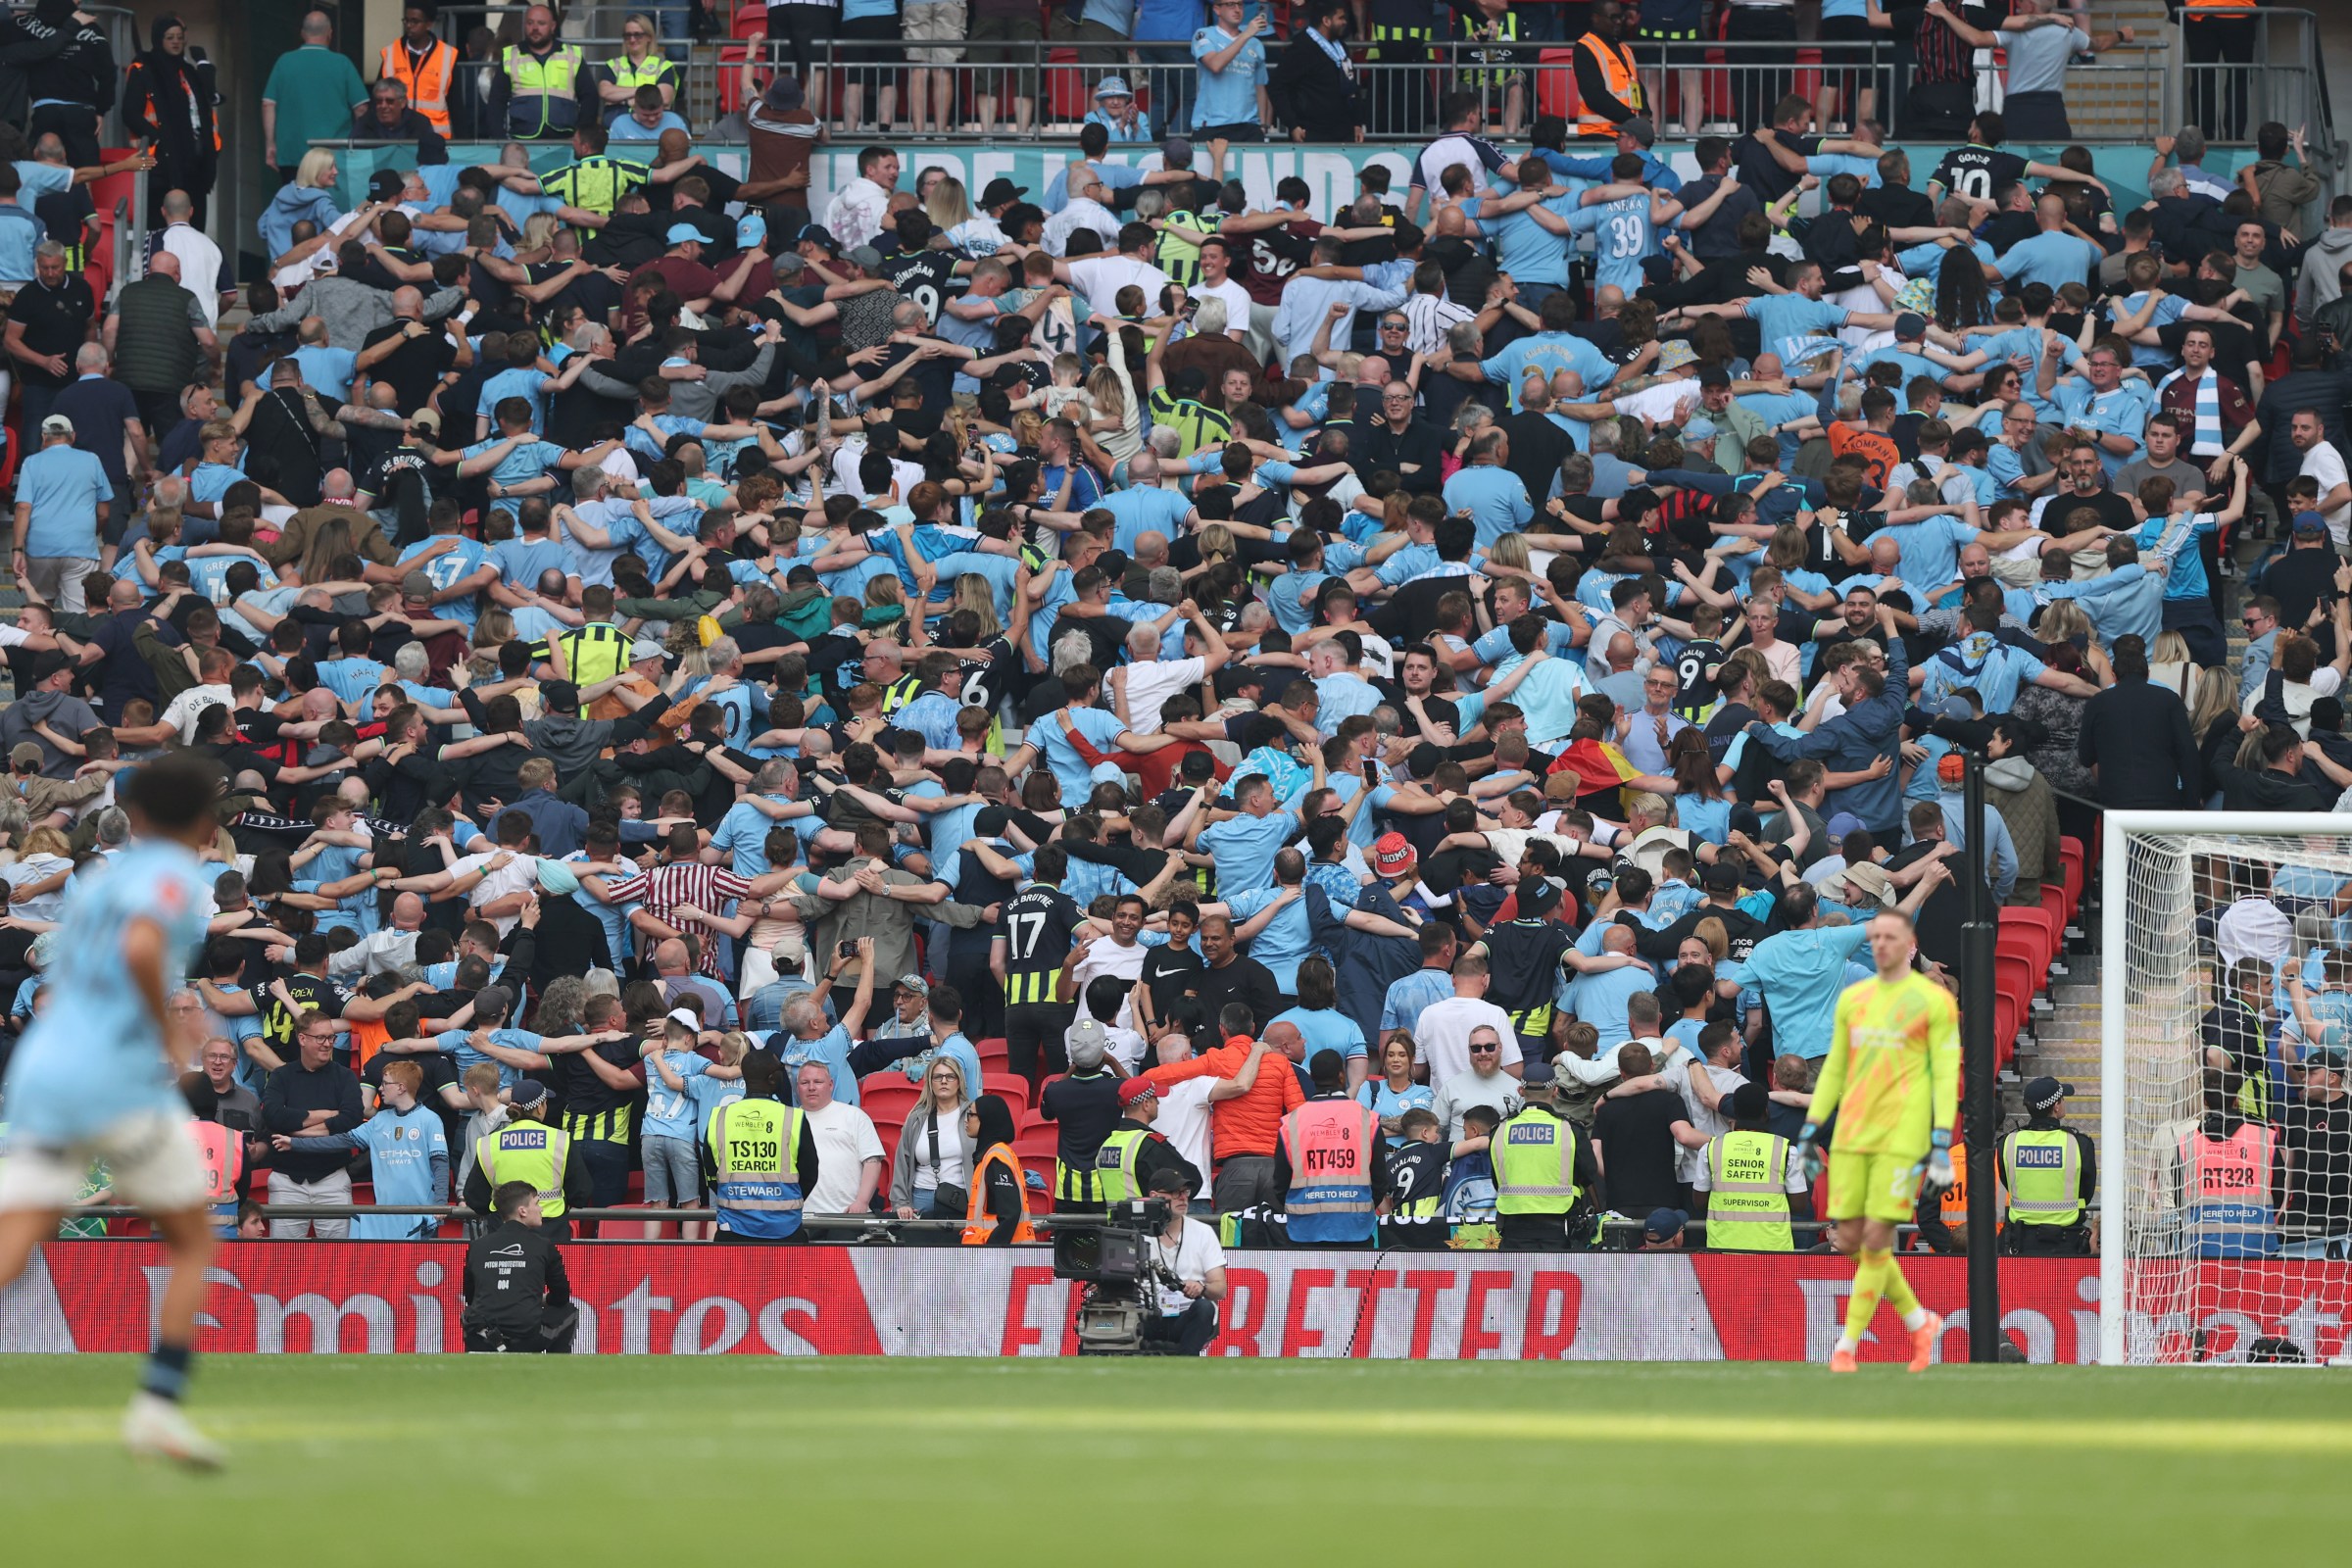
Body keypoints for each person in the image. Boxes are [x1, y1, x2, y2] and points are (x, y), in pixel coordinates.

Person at [0, 753, 232, 1466]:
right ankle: (158, 1406)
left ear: (130, 815)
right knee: (192, 1240)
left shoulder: (97, 876)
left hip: (46, 1066)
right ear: (203, 823)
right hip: (112, 1073)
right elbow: (139, 947)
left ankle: (159, 1411)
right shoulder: (172, 874)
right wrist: (173, 1031)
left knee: (23, 1231)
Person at [1796, 907, 1959, 1373]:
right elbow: (1835, 1069)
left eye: (1893, 938)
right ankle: (1918, 1319)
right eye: (1877, 938)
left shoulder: (1934, 1003)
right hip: (1851, 1132)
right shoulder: (1854, 999)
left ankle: (1846, 1346)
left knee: (1874, 1237)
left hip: (1901, 1138)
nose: (1882, 946)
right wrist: (1812, 1128)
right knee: (1847, 1239)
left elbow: (1946, 1076)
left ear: (1911, 946)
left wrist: (1940, 1140)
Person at [706, 1051, 820, 1243]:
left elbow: (710, 1174)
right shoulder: (793, 1117)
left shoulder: (719, 1116)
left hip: (732, 1229)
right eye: (779, 1071)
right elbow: (810, 1174)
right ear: (772, 1078)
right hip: (785, 1229)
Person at [1273, 1049, 1384, 1246]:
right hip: (1355, 1228)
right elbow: (1380, 1179)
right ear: (1342, 1075)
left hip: (1304, 1230)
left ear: (1312, 1077)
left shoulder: (1292, 1122)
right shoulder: (1367, 1119)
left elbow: (1280, 1183)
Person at [463, 1078, 592, 1241]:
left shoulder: (490, 1142)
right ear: (539, 1107)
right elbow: (581, 1192)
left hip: (503, 1231)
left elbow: (475, 1197)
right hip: (551, 1230)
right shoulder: (560, 1139)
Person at [460, 1180, 578, 1351]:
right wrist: (542, 1299)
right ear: (522, 1211)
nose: (541, 1209)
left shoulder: (477, 1246)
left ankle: (477, 1358)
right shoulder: (543, 1245)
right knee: (568, 1310)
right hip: (526, 1338)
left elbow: (471, 1297)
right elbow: (561, 1297)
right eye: (537, 1203)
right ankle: (556, 1370)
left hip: (483, 1338)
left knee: (469, 1314)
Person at [1489, 1079, 1601, 1250]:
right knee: (1556, 1278)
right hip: (1559, 1229)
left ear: (1520, 1091)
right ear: (1555, 1091)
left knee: (1521, 1277)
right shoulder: (1570, 1129)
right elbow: (1589, 1174)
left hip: (1514, 1228)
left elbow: (1497, 1178)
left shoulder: (1501, 1130)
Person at [1692, 1082, 1804, 1251]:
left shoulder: (1711, 1148)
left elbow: (1700, 1202)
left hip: (1723, 1248)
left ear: (1735, 1113)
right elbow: (1799, 1205)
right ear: (1766, 1112)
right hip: (1773, 1249)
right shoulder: (1786, 1150)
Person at [261, 11, 368, 178]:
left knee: (296, 201)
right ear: (330, 34)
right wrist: (359, 149)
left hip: (291, 153)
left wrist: (270, 144)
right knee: (329, 203)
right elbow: (361, 108)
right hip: (333, 154)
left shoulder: (284, 62)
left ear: (302, 33)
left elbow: (268, 104)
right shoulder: (342, 64)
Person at [1997, 1075, 2096, 1256]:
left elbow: (2008, 1181)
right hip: (2068, 1242)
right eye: (2062, 1099)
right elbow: (2087, 1193)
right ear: (2056, 1106)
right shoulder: (2079, 1143)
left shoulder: (2007, 1142)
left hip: (2020, 1243)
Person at [1140, 1163, 1226, 1352]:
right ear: (1155, 1197)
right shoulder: (1136, 1231)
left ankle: (1187, 1367)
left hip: (1185, 1313)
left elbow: (1220, 1289)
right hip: (1143, 1315)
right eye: (1174, 1192)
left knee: (1205, 1308)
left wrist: (1202, 1287)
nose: (1183, 1198)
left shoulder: (1203, 1232)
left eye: (1185, 1192)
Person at [1092, 1076, 1201, 1202]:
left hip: (1115, 1220)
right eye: (1155, 1099)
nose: (1158, 1103)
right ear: (1146, 1104)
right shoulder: (1148, 1144)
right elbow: (1190, 1180)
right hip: (1145, 1219)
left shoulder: (1107, 1144)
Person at [960, 1092, 1035, 1245]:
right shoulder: (991, 1154)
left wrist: (992, 1249)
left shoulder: (996, 1159)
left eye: (971, 1115)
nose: (966, 1121)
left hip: (1000, 1257)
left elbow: (1010, 1214)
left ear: (987, 1120)